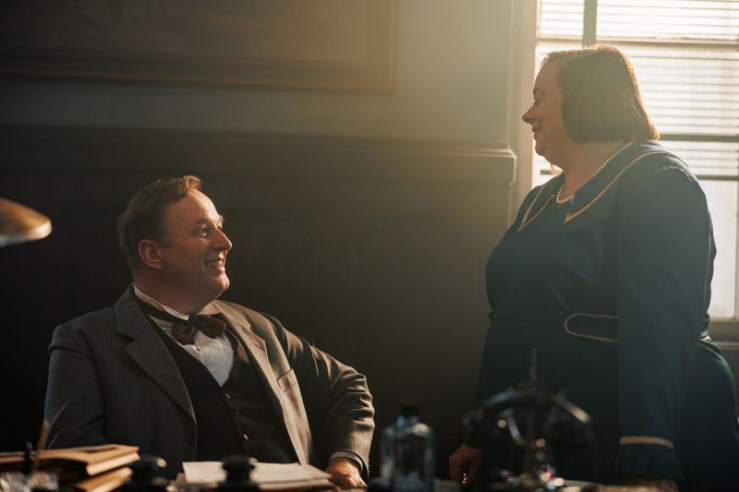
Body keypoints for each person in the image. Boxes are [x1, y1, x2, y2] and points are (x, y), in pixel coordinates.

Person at [449, 46, 739, 491]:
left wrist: (648, 450)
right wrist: (482, 432)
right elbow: (509, 318)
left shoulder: (659, 181)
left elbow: (660, 323)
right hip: (549, 429)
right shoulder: (541, 199)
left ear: (586, 98)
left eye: (540, 98)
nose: (528, 114)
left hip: (629, 431)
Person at [44, 176, 374, 487]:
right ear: (152, 254)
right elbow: (74, 459)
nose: (225, 242)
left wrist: (346, 461)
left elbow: (347, 385)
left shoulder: (261, 327)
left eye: (220, 227)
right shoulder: (85, 340)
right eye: (203, 230)